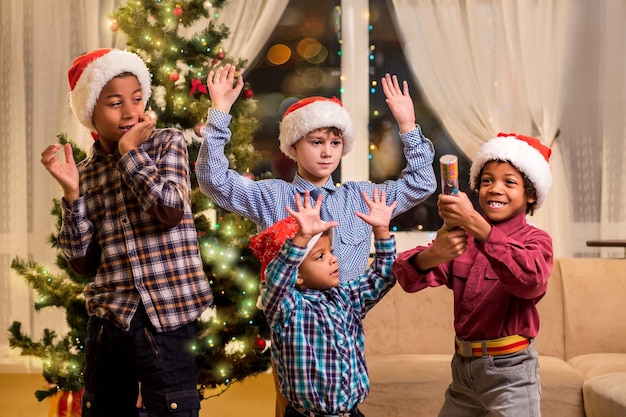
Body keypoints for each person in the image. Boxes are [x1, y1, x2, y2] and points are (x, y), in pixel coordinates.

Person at [40, 48, 213, 417]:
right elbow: (82, 262)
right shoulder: (84, 173)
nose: (131, 112)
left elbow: (168, 209)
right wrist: (72, 194)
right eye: (115, 103)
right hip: (110, 320)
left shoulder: (168, 143)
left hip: (168, 313)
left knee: (173, 408)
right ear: (91, 111)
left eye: (136, 99)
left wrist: (130, 153)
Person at [196, 63, 436, 284]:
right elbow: (213, 180)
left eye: (335, 143)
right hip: (293, 324)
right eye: (316, 142)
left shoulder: (360, 199)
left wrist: (408, 126)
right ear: (293, 146)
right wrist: (220, 111)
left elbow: (421, 183)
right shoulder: (271, 196)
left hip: (347, 325)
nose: (327, 153)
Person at [393, 133, 554, 417]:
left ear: (531, 194)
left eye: (510, 182)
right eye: (487, 180)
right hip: (463, 370)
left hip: (512, 371)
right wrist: (436, 254)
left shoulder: (536, 240)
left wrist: (477, 225)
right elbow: (406, 276)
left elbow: (531, 281)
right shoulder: (463, 239)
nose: (495, 188)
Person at [249, 188, 397, 417]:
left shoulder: (347, 297)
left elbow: (382, 276)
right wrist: (302, 239)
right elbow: (277, 280)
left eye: (331, 251)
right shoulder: (287, 308)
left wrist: (381, 230)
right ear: (297, 275)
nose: (333, 259)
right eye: (320, 256)